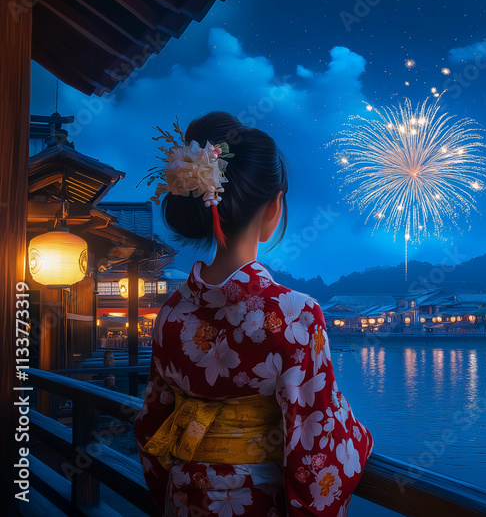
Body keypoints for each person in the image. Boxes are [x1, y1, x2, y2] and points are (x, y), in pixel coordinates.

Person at [134, 113, 372, 516]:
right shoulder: (296, 313)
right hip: (256, 500)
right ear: (274, 206)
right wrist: (358, 436)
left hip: (184, 495)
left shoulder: (171, 313)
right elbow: (318, 444)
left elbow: (151, 426)